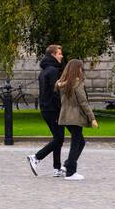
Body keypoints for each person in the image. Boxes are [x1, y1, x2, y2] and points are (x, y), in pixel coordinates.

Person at [56, 58, 98, 180]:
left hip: (65, 116)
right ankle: (71, 172)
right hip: (75, 116)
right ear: (76, 69)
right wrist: (92, 118)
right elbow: (83, 102)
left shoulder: (62, 83)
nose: (81, 70)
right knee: (76, 143)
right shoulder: (77, 83)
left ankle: (67, 165)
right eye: (80, 68)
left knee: (80, 142)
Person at [28, 44, 65, 176]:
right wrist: (60, 107)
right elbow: (55, 92)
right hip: (52, 109)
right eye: (60, 53)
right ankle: (36, 157)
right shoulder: (53, 71)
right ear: (53, 55)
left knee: (58, 138)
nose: (62, 56)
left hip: (46, 108)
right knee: (59, 138)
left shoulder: (45, 71)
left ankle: (57, 168)